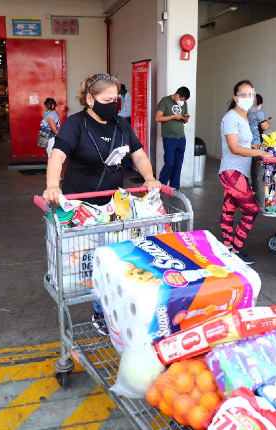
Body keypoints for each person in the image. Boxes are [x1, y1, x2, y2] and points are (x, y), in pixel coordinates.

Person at [42, 73, 161, 334]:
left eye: (116, 99)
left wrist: (150, 178)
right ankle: (100, 311)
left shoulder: (121, 125)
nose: (113, 104)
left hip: (112, 206)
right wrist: (52, 185)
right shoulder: (76, 124)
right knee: (89, 261)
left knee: (114, 258)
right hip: (80, 205)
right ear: (89, 99)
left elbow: (138, 154)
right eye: (107, 99)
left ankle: (113, 305)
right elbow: (58, 155)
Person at [219, 80, 271, 265]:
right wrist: (259, 152)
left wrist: (258, 146)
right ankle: (236, 249)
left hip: (239, 171)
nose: (249, 98)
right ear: (235, 98)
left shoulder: (245, 118)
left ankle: (226, 248)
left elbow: (245, 144)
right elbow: (234, 147)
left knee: (229, 209)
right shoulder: (231, 118)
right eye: (244, 94)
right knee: (251, 211)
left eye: (251, 94)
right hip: (232, 172)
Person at [155, 87, 191, 190]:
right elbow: (158, 118)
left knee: (178, 163)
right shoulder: (165, 101)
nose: (182, 102)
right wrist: (173, 117)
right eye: (181, 100)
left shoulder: (184, 103)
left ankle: (174, 187)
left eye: (184, 101)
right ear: (177, 95)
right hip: (169, 138)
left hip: (181, 137)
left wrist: (186, 118)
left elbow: (185, 121)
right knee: (169, 163)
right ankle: (160, 186)